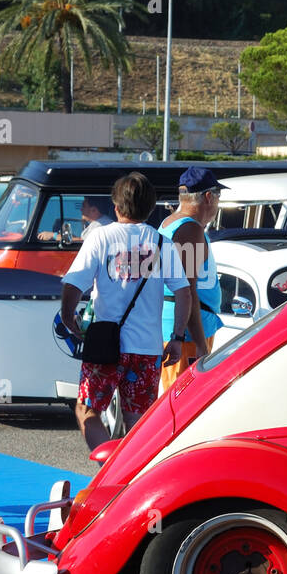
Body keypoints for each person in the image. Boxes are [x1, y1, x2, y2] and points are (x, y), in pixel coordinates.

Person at [59, 173, 192, 450]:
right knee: (139, 422)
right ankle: (131, 478)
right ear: (150, 208)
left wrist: (68, 315)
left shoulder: (100, 238)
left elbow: (74, 283)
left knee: (87, 410)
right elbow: (183, 292)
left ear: (116, 206)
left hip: (105, 346)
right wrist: (177, 337)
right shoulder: (161, 243)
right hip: (147, 348)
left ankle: (109, 469)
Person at [158, 166, 222, 393]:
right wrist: (202, 347)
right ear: (207, 197)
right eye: (218, 196)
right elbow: (188, 291)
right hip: (185, 334)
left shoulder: (170, 223)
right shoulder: (190, 231)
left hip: (179, 328)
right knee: (183, 400)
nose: (218, 203)